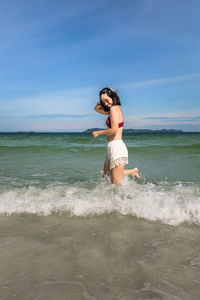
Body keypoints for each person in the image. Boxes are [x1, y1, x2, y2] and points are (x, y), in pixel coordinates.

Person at [92, 87, 140, 185]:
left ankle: (122, 199)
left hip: (117, 147)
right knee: (106, 178)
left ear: (112, 97)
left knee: (115, 185)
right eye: (102, 101)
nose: (105, 103)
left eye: (106, 100)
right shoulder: (114, 109)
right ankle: (132, 171)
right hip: (111, 147)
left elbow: (114, 130)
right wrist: (103, 98)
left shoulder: (114, 109)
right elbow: (96, 109)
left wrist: (98, 133)